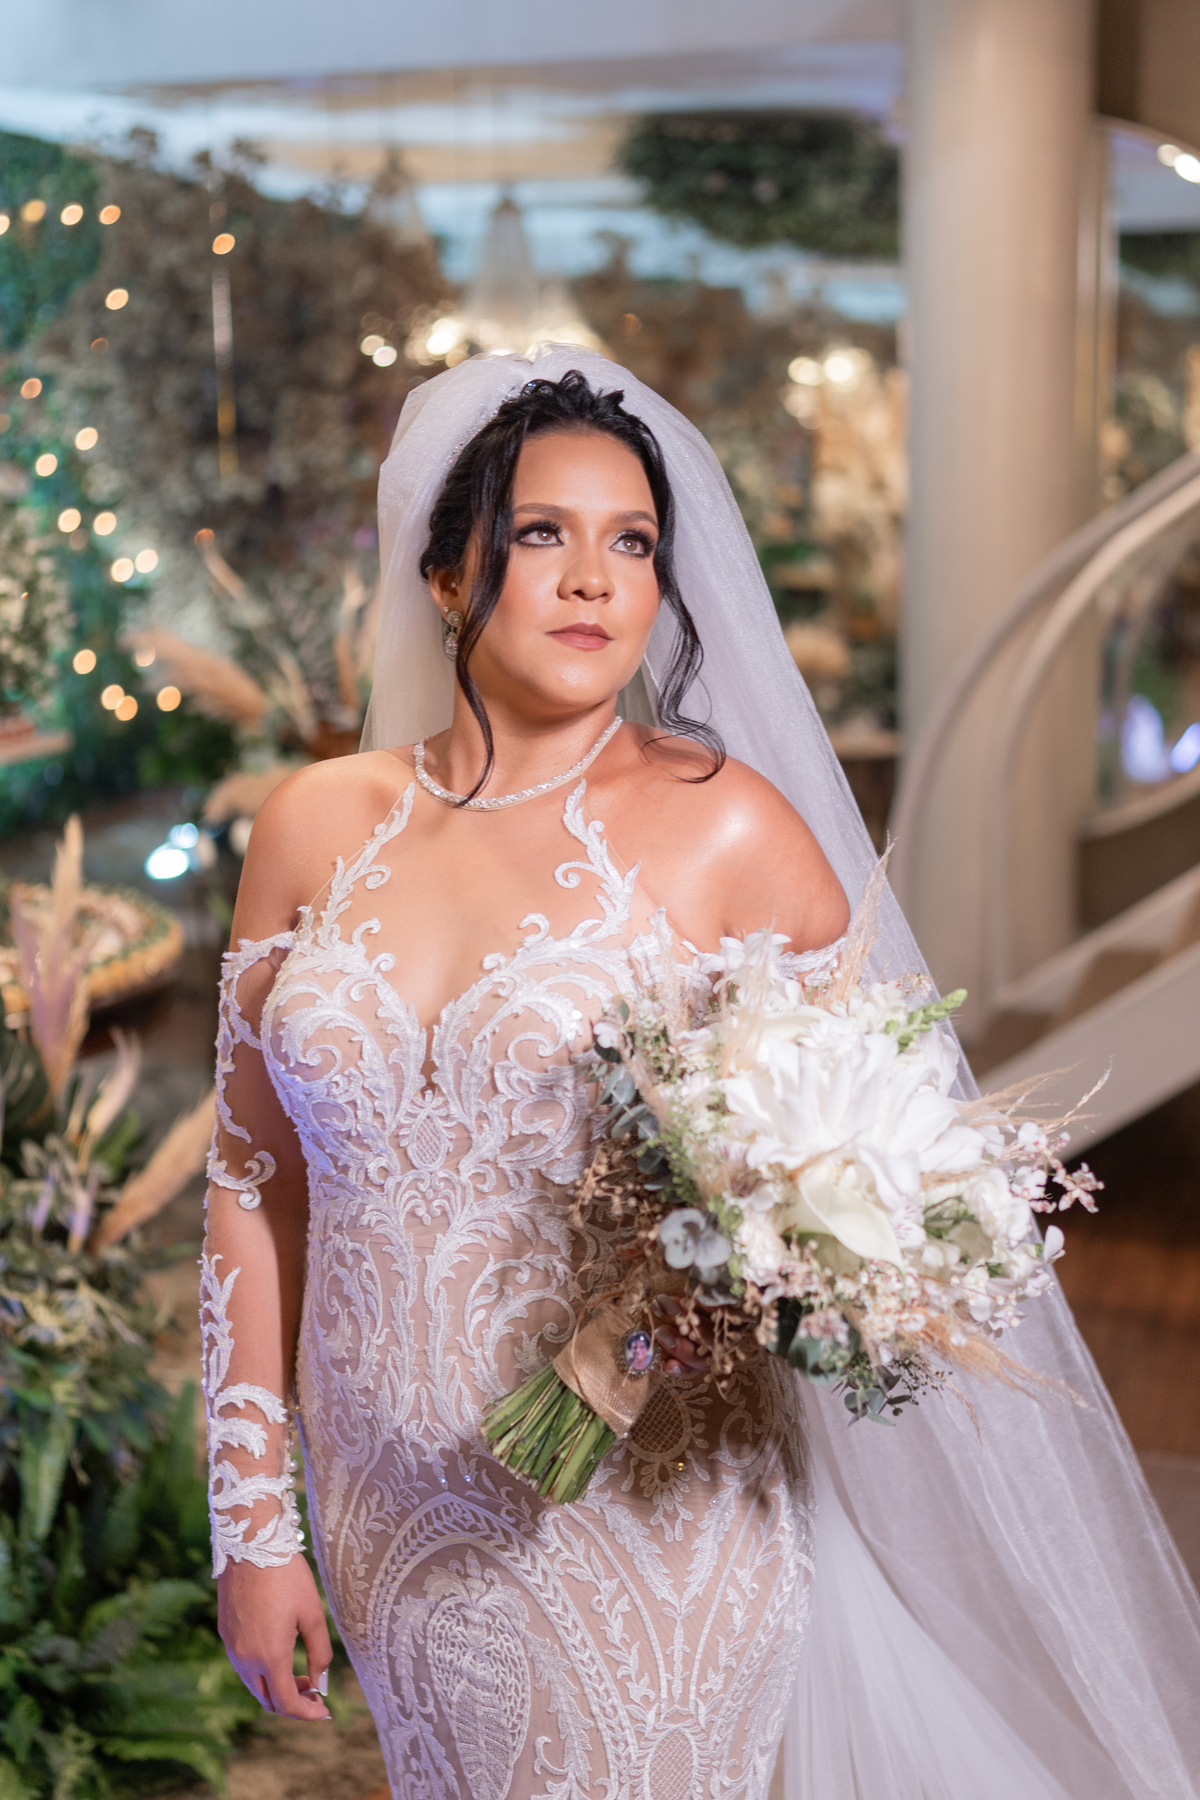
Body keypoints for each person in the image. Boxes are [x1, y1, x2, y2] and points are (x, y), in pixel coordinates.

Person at [203, 348, 1200, 1800]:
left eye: (633, 544)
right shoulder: (312, 823)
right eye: (542, 532)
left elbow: (899, 1183)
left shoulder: (730, 829)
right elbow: (252, 1184)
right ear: (446, 571)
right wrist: (254, 1526)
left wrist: (739, 1270)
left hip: (638, 1509)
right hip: (381, 1507)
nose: (593, 580)